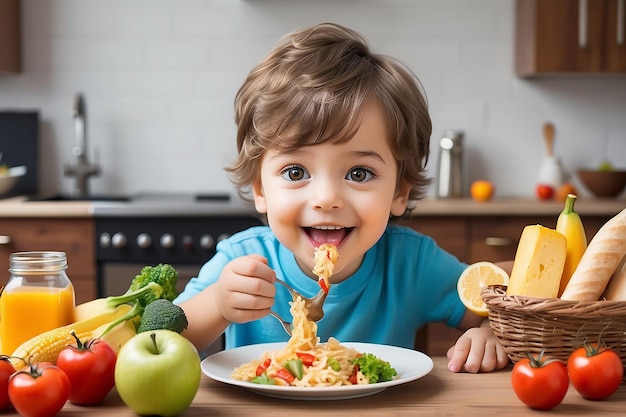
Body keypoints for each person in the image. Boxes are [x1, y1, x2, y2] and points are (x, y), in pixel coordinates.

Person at [175, 22, 510, 373]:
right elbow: (157, 339)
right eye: (295, 172)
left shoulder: (410, 263)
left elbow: (507, 291)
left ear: (399, 192)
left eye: (359, 173)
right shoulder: (243, 260)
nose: (326, 198)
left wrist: (491, 331)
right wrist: (216, 304)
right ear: (260, 189)